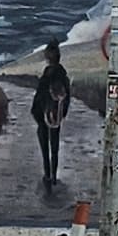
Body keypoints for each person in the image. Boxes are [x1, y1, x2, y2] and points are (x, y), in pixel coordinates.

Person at [30, 41, 72, 196]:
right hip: (56, 116)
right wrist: (61, 114)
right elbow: (67, 97)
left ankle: (48, 175)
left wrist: (35, 112)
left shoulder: (47, 74)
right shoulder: (63, 74)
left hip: (43, 116)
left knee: (45, 147)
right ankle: (53, 176)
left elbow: (39, 96)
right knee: (54, 147)